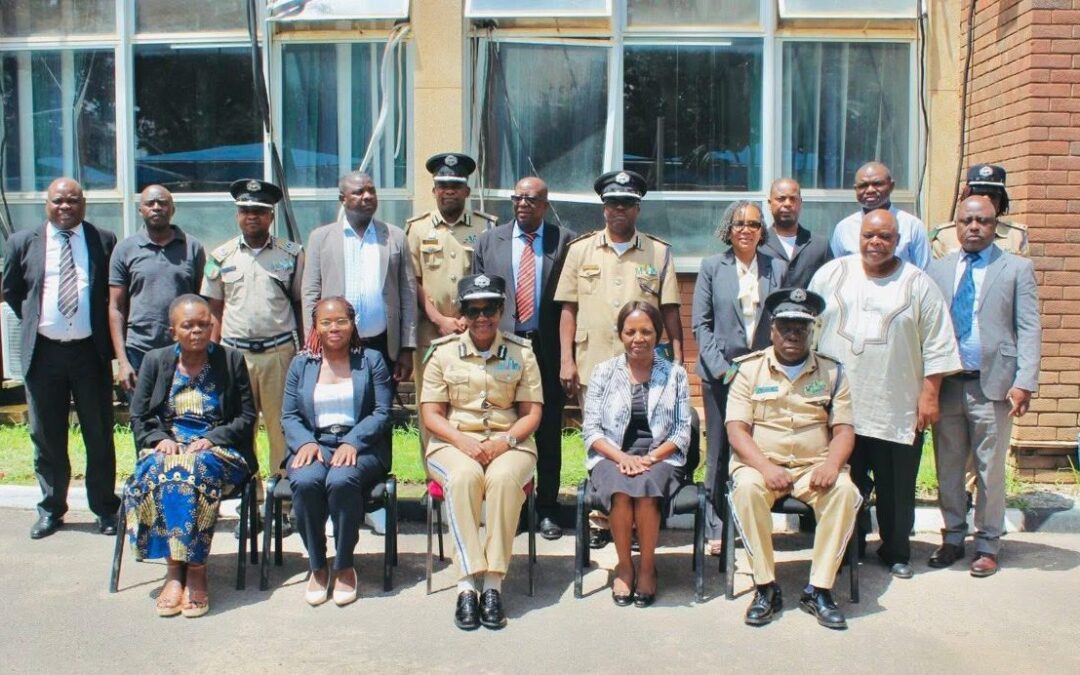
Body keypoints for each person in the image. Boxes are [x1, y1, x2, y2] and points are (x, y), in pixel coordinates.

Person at [809, 209, 960, 579]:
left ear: (898, 241)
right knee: (848, 480)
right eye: (869, 236)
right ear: (858, 237)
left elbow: (938, 343)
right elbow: (808, 331)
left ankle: (895, 550)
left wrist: (930, 395)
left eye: (885, 237)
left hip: (895, 403)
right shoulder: (831, 274)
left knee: (896, 486)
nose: (875, 243)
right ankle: (848, 546)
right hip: (840, 406)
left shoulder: (918, 283)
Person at [553, 170, 682, 548]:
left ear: (637, 208)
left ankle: (642, 515)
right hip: (594, 360)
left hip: (646, 366)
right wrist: (566, 359)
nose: (618, 210)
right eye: (612, 204)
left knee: (644, 434)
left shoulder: (658, 252)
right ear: (604, 208)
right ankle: (602, 518)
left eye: (626, 203)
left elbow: (671, 307)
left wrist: (676, 356)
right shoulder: (581, 250)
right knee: (601, 438)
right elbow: (568, 309)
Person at [726, 289, 860, 630]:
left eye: (801, 326)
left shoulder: (832, 373)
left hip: (814, 468)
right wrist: (767, 468)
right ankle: (765, 587)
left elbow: (844, 430)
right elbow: (737, 431)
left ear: (812, 330)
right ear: (772, 329)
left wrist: (831, 466)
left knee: (845, 492)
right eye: (785, 325)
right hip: (761, 465)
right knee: (746, 491)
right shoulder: (748, 371)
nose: (793, 333)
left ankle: (819, 589)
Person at [926, 195, 1040, 577]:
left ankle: (988, 543)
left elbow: (1028, 328)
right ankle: (953, 537)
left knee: (990, 469)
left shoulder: (1016, 269)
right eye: (967, 221)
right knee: (949, 467)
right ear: (955, 225)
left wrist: (1025, 381)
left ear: (995, 226)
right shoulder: (937, 270)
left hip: (993, 385)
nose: (974, 227)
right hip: (948, 384)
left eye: (983, 221)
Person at [421, 274, 542, 631]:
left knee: (504, 480)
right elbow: (431, 415)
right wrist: (464, 443)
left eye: (490, 308)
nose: (482, 317)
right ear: (463, 313)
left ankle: (492, 585)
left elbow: (532, 413)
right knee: (463, 477)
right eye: (473, 310)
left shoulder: (522, 353)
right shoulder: (443, 353)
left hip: (511, 442)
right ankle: (465, 586)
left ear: (502, 310)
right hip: (452, 443)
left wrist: (502, 442)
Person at [2, 177, 121, 539]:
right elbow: (11, 291)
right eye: (58, 201)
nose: (65, 207)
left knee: (98, 432)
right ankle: (52, 508)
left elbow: (109, 294)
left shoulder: (103, 240)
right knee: (46, 434)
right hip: (44, 353)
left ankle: (105, 508)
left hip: (90, 352)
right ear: (47, 204)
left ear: (84, 204)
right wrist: (41, 323)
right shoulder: (24, 242)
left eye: (73, 201)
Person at [125, 294, 256, 618]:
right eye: (188, 325)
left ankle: (195, 570)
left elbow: (246, 416)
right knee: (161, 469)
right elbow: (138, 416)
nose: (197, 331)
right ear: (173, 332)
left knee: (191, 472)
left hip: (219, 451)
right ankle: (174, 570)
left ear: (213, 327)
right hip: (168, 445)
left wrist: (212, 439)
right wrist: (159, 439)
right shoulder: (155, 361)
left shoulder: (230, 360)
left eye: (203, 324)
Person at [473, 176, 573, 540]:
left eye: (531, 199)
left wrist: (568, 357)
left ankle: (547, 507)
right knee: (504, 425)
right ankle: (511, 506)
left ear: (545, 204)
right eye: (517, 198)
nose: (523, 204)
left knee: (547, 430)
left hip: (546, 348)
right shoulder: (489, 241)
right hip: (503, 348)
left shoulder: (562, 240)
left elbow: (568, 302)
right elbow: (477, 300)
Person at [202, 178, 304, 532]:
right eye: (246, 211)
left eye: (259, 211)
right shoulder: (220, 257)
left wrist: (306, 353)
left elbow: (301, 305)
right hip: (235, 357)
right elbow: (213, 310)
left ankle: (283, 502)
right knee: (241, 430)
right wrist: (212, 357)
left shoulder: (292, 254)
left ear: (270, 216)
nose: (252, 217)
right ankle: (251, 501)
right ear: (237, 215)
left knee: (281, 429)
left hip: (279, 353)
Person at [281, 297, 393, 606]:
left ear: (352, 323)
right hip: (314, 443)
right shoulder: (301, 364)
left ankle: (344, 565)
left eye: (341, 321)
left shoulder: (371, 360)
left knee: (342, 481)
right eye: (326, 322)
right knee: (305, 482)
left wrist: (352, 442)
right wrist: (305, 442)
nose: (334, 328)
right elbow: (289, 415)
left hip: (361, 445)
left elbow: (383, 412)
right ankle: (318, 565)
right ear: (315, 327)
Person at [582, 301, 692, 608]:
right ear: (620, 335)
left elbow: (682, 431)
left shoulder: (675, 374)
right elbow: (591, 430)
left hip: (660, 456)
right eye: (630, 331)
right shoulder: (603, 372)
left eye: (646, 331)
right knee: (619, 490)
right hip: (612, 455)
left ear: (658, 334)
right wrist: (621, 458)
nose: (638, 338)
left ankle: (646, 567)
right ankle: (624, 566)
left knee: (644, 492)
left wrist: (651, 458)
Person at [692, 201, 786, 554]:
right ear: (727, 229)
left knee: (757, 449)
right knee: (718, 451)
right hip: (721, 374)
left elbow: (781, 322)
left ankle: (751, 520)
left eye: (753, 224)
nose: (746, 229)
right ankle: (717, 525)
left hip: (763, 375)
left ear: (763, 231)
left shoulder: (776, 268)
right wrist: (722, 368)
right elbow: (701, 324)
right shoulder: (713, 267)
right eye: (739, 224)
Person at [406, 153, 497, 451]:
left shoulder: (486, 227)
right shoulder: (418, 229)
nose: (448, 191)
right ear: (434, 191)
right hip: (431, 331)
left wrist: (468, 319)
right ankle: (433, 483)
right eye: (442, 185)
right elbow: (414, 281)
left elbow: (487, 280)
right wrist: (439, 319)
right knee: (431, 403)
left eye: (455, 186)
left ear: (467, 192)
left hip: (475, 331)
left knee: (471, 401)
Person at [109, 185, 206, 392]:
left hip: (183, 350)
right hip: (138, 349)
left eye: (162, 203)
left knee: (184, 416)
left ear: (172, 209)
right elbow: (115, 307)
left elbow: (201, 301)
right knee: (143, 419)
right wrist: (122, 362)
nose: (156, 207)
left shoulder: (192, 247)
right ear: (140, 210)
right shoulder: (125, 249)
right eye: (150, 203)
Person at [830, 162, 930, 269]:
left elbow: (924, 273)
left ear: (891, 186)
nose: (870, 190)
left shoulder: (912, 226)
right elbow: (835, 271)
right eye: (863, 186)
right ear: (856, 189)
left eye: (877, 184)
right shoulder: (844, 228)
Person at [929, 164, 1028, 259]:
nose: (986, 199)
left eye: (993, 195)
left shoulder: (1016, 236)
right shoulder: (945, 235)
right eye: (979, 194)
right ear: (966, 197)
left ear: (1001, 201)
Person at [759, 178, 832, 288]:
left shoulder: (821, 245)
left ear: (800, 203)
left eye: (793, 199)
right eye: (781, 199)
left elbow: (832, 285)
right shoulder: (758, 244)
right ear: (770, 204)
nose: (787, 204)